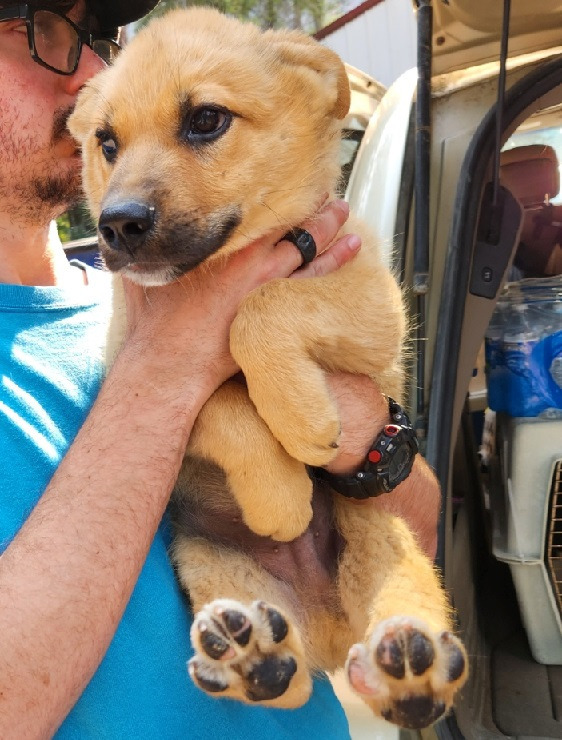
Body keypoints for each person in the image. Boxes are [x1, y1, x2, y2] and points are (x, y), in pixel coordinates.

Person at [0, 1, 441, 737]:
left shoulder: (198, 273)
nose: (92, 75)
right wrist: (171, 368)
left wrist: (367, 431)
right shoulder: (159, 318)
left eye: (94, 37)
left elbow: (419, 534)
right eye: (34, 31)